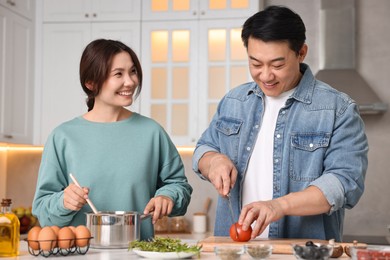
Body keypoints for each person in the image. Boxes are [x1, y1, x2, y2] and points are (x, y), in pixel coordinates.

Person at [192, 5, 368, 242]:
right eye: (255, 64)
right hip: (233, 250)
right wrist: (214, 161)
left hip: (301, 252)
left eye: (277, 65)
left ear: (301, 53)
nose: (265, 75)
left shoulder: (338, 109)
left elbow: (344, 183)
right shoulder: (234, 101)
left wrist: (279, 206)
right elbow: (204, 148)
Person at [33, 39, 192, 240]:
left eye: (133, 71)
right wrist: (63, 202)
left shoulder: (152, 132)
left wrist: (167, 196)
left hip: (138, 254)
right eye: (118, 74)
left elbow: (179, 186)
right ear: (91, 83)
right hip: (82, 254)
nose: (131, 81)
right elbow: (42, 211)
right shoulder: (63, 137)